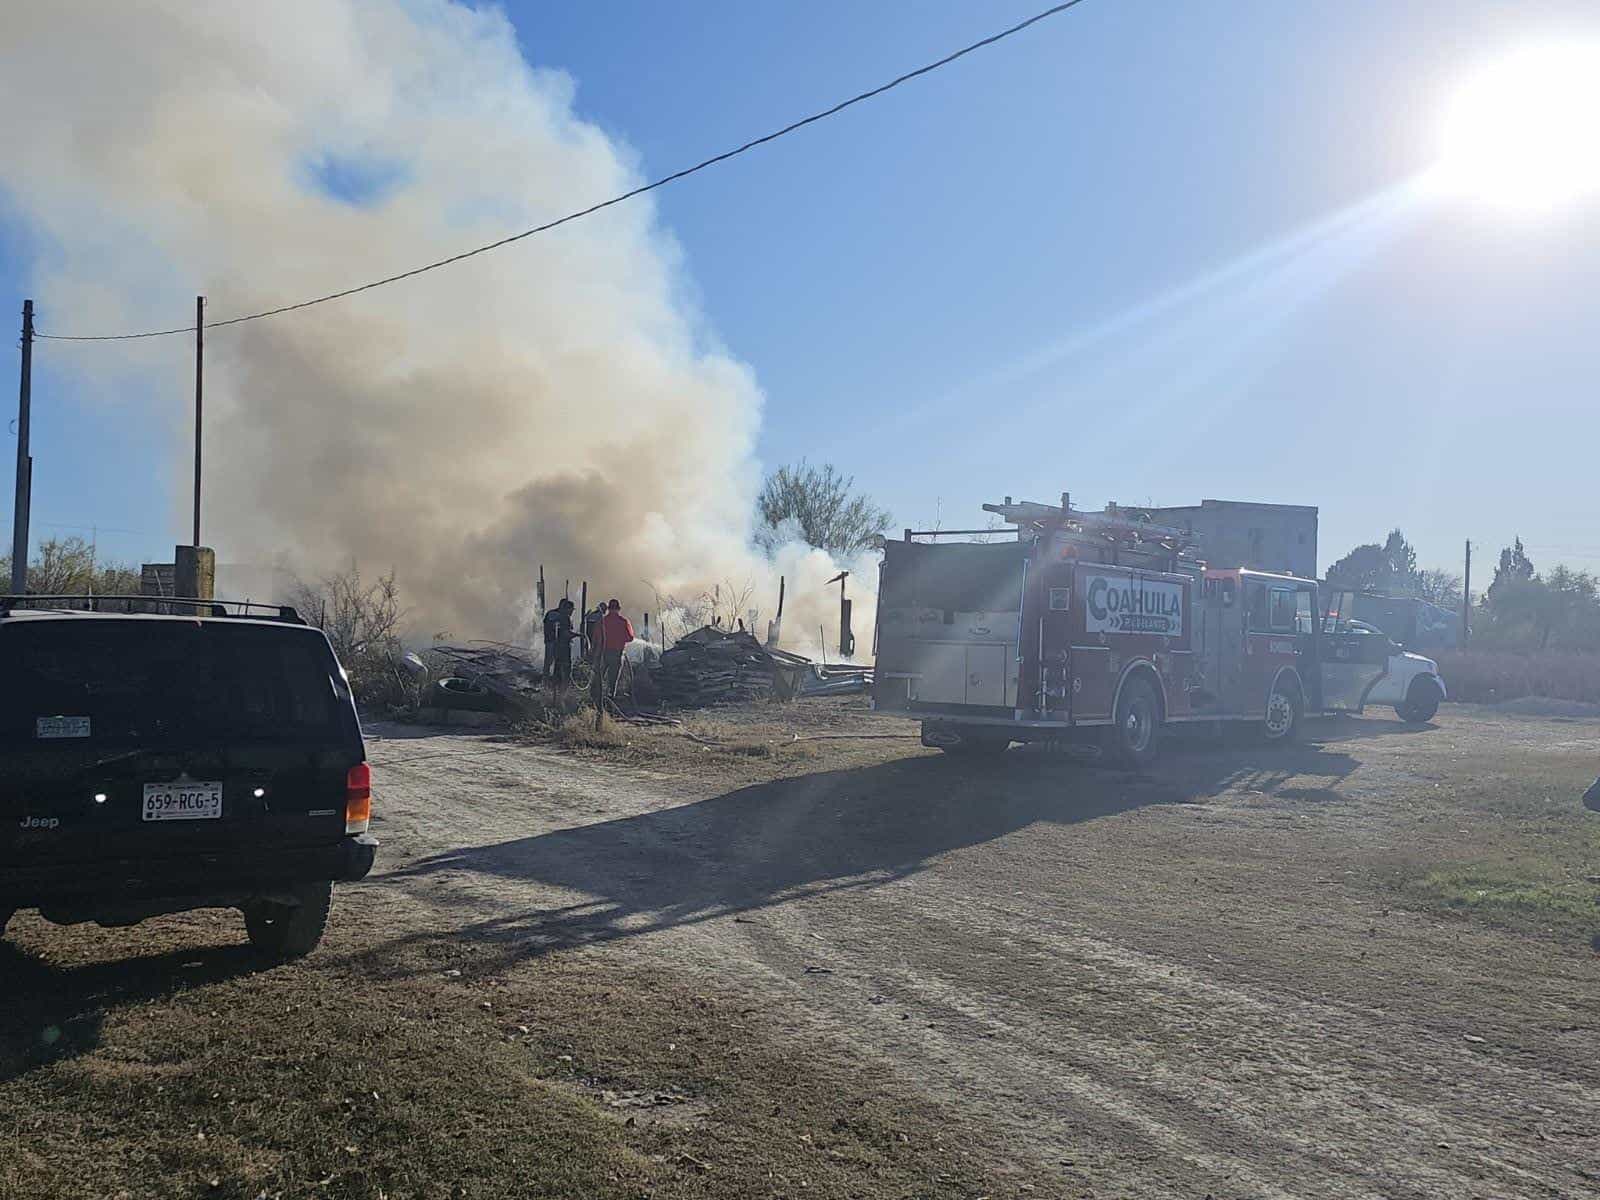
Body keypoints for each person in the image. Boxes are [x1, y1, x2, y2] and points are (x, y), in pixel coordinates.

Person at [593, 598, 636, 702]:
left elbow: (595, 637)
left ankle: (595, 698)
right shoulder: (624, 622)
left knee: (599, 676)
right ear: (618, 609)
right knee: (613, 679)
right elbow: (630, 638)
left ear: (608, 609)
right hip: (617, 654)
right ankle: (611, 698)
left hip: (603, 653)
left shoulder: (602, 621)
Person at [542, 598, 576, 691]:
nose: (571, 612)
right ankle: (551, 686)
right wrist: (576, 635)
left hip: (552, 642)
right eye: (570, 610)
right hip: (555, 643)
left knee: (550, 663)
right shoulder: (559, 616)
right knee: (554, 663)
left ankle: (547, 683)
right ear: (564, 608)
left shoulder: (553, 614)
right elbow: (566, 633)